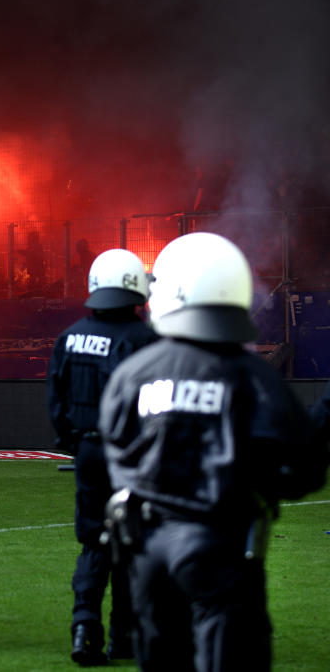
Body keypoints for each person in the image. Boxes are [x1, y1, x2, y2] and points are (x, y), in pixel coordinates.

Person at [98, 232, 329, 671]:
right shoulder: (251, 376)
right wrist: (260, 487)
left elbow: (116, 450)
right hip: (220, 544)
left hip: (145, 551)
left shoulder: (133, 374)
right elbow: (306, 466)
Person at [47, 248, 158, 666]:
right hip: (132, 457)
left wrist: (74, 441)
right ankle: (123, 638)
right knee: (131, 544)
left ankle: (84, 628)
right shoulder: (143, 340)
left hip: (89, 452)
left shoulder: (70, 336)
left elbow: (54, 398)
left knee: (94, 542)